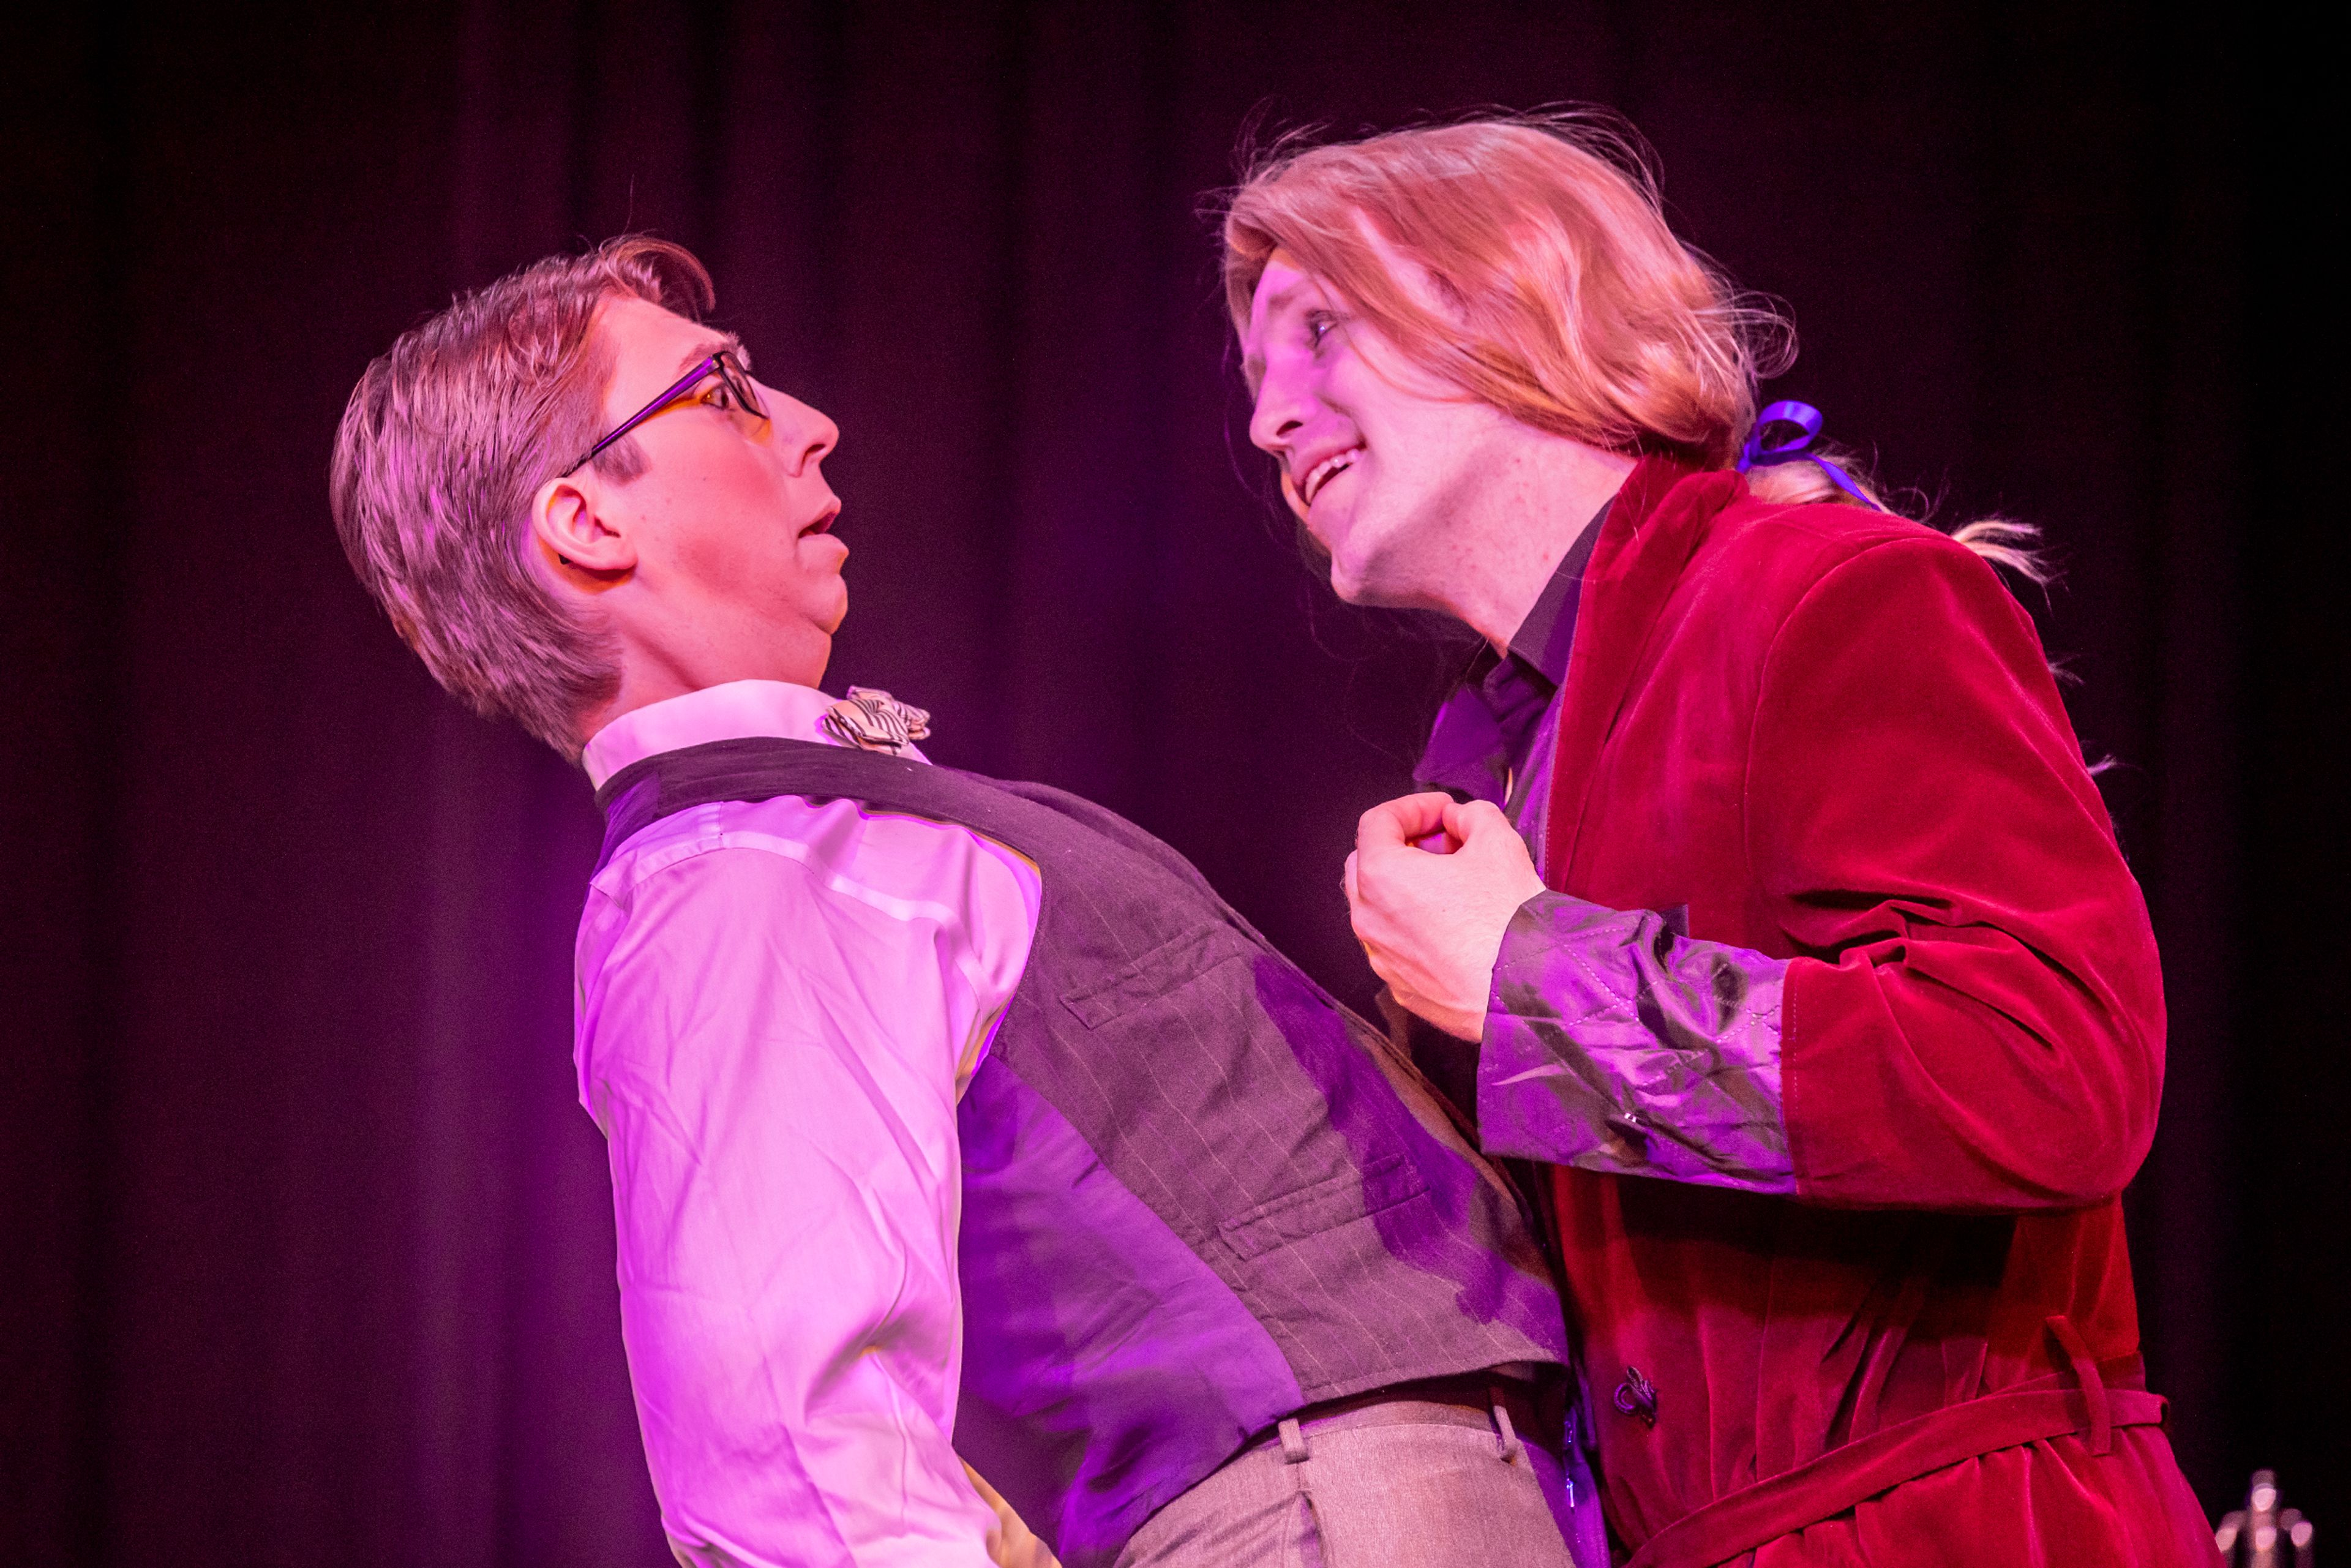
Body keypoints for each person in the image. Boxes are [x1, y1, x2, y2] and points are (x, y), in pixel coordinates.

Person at [329, 236, 1588, 1568]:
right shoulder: (737, 878)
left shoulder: (814, 840)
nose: (812, 427)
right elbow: (791, 1464)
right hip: (1334, 1510)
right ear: (589, 524)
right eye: (726, 394)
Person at [1223, 116, 2216, 1566]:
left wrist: (1531, 978)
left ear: (1518, 291)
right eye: (1258, 377)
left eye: (1319, 330)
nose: (1271, 419)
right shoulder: (1494, 751)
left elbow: (2053, 1073)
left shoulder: (1827, 593)